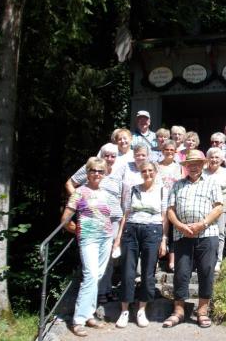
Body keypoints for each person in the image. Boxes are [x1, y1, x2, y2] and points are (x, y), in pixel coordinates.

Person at [164, 150, 224, 329]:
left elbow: (219, 207)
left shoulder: (212, 183)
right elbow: (170, 210)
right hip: (182, 234)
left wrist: (202, 224)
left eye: (197, 163)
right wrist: (180, 226)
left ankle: (202, 311)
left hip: (207, 234)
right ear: (186, 166)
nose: (194, 167)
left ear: (203, 164)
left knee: (206, 271)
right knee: (181, 272)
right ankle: (179, 311)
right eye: (190, 164)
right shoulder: (177, 185)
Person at [61, 157, 114, 336]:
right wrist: (78, 230)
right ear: (88, 173)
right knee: (90, 275)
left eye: (100, 171)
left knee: (97, 276)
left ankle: (89, 315)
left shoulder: (105, 193)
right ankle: (78, 320)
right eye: (93, 171)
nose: (97, 174)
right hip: (89, 239)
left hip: (106, 238)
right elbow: (66, 219)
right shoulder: (79, 192)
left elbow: (111, 216)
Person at [66, 143, 124, 305]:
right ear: (101, 154)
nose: (110, 159)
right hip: (94, 221)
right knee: (94, 260)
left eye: (113, 156)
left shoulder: (117, 174)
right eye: (107, 155)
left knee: (110, 258)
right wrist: (81, 200)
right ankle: (95, 294)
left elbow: (119, 199)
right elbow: (70, 183)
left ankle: (106, 289)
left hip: (113, 221)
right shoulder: (92, 169)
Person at [113, 160, 167, 328]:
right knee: (128, 271)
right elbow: (126, 214)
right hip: (131, 229)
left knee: (148, 272)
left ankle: (142, 309)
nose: (148, 173)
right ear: (140, 173)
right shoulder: (133, 189)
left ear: (155, 172)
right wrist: (118, 238)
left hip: (153, 231)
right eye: (144, 171)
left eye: (151, 170)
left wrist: (164, 240)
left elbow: (165, 217)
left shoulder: (163, 191)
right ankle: (124, 310)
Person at [203, 147, 226, 271]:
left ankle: (218, 260)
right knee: (205, 231)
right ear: (207, 159)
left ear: (221, 159)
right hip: (206, 204)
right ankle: (205, 258)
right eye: (211, 157)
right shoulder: (203, 172)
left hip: (222, 203)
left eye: (217, 157)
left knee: (220, 232)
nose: (214, 159)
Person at [157, 140, 183, 271]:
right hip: (159, 200)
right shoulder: (156, 166)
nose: (169, 152)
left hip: (174, 201)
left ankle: (171, 261)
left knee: (173, 230)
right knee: (159, 228)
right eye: (166, 149)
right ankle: (156, 258)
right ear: (162, 151)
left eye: (172, 150)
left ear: (175, 152)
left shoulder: (179, 166)